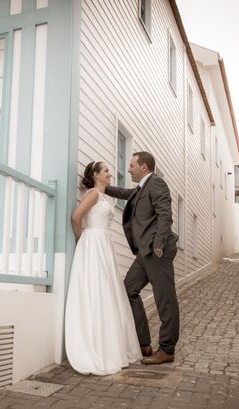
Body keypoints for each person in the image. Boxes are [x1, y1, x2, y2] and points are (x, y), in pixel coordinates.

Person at [64, 161, 142, 375]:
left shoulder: (102, 195)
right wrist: (82, 237)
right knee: (96, 288)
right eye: (106, 171)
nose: (110, 174)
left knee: (107, 290)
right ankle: (96, 346)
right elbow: (76, 216)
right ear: (96, 174)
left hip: (103, 244)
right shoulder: (93, 194)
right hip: (94, 242)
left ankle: (110, 345)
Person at [105, 151, 180, 365]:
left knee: (164, 299)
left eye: (131, 165)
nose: (128, 169)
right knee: (128, 290)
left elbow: (165, 214)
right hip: (143, 253)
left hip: (157, 251)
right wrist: (101, 186)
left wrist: (158, 244)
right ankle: (144, 343)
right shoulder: (139, 189)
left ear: (144, 167)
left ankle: (167, 349)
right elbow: (123, 192)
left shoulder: (156, 183)